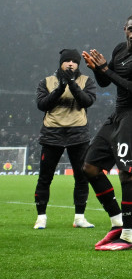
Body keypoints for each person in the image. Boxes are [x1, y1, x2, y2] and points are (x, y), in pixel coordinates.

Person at [82, 14, 132, 251]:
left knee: (127, 173)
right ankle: (117, 221)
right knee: (90, 167)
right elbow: (106, 83)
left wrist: (106, 69)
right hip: (118, 114)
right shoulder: (119, 49)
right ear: (124, 29)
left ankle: (129, 236)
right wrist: (98, 69)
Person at [33, 48, 99, 230]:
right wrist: (61, 87)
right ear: (61, 62)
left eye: (74, 61)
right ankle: (41, 217)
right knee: (45, 178)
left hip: (78, 134)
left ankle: (79, 217)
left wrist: (72, 84)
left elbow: (87, 101)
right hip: (52, 134)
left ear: (78, 64)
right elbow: (42, 105)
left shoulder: (87, 81)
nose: (71, 63)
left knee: (81, 177)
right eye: (67, 60)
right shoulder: (46, 81)